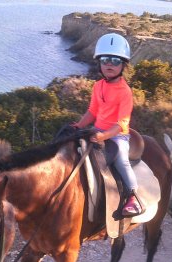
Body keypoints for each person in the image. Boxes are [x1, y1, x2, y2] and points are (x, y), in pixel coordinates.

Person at [72, 33, 143, 217]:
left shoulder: (125, 91)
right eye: (105, 60)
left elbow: (122, 124)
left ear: (123, 65)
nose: (109, 64)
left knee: (121, 158)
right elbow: (93, 112)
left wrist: (104, 136)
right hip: (97, 130)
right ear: (99, 63)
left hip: (118, 135)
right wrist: (79, 125)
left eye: (114, 60)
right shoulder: (97, 86)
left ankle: (134, 198)